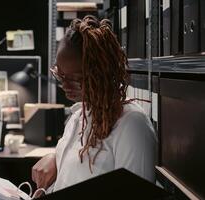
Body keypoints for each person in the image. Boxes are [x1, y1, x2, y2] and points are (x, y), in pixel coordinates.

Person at [32, 15, 157, 193]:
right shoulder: (78, 116)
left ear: (100, 74)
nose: (64, 86)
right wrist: (55, 158)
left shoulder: (132, 125)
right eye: (60, 75)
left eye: (76, 79)